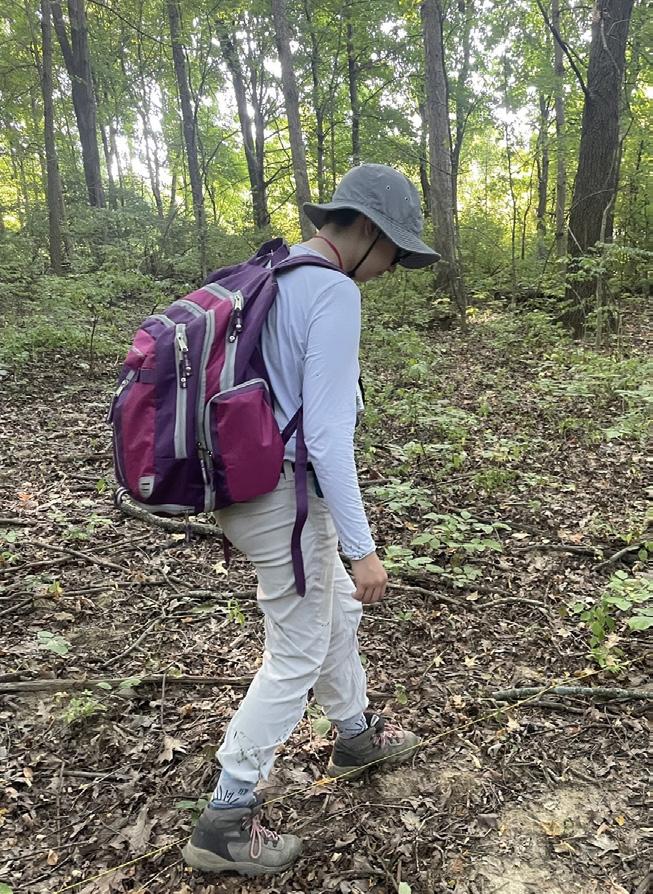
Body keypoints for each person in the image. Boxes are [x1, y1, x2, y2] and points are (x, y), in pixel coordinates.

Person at [182, 163, 440, 877]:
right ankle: (226, 815)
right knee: (294, 653)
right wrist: (363, 549)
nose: (391, 267)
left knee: (334, 617)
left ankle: (354, 734)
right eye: (394, 250)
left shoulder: (276, 273)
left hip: (251, 488)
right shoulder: (331, 290)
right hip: (286, 498)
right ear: (365, 231)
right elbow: (326, 436)